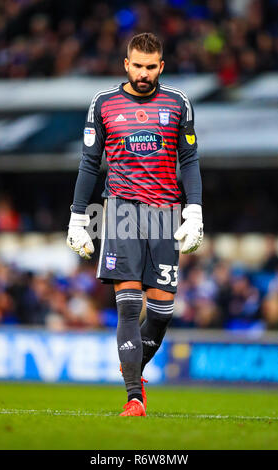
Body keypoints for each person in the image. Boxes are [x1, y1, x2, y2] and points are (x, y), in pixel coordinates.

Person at [67, 33, 203, 416]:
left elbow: (189, 160)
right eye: (137, 66)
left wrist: (194, 210)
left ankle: (133, 370)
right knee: (128, 307)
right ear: (126, 64)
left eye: (151, 67)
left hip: (164, 214)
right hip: (122, 211)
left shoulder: (178, 102)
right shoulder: (103, 103)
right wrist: (79, 217)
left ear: (161, 66)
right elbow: (89, 164)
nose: (143, 74)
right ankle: (134, 397)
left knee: (160, 314)